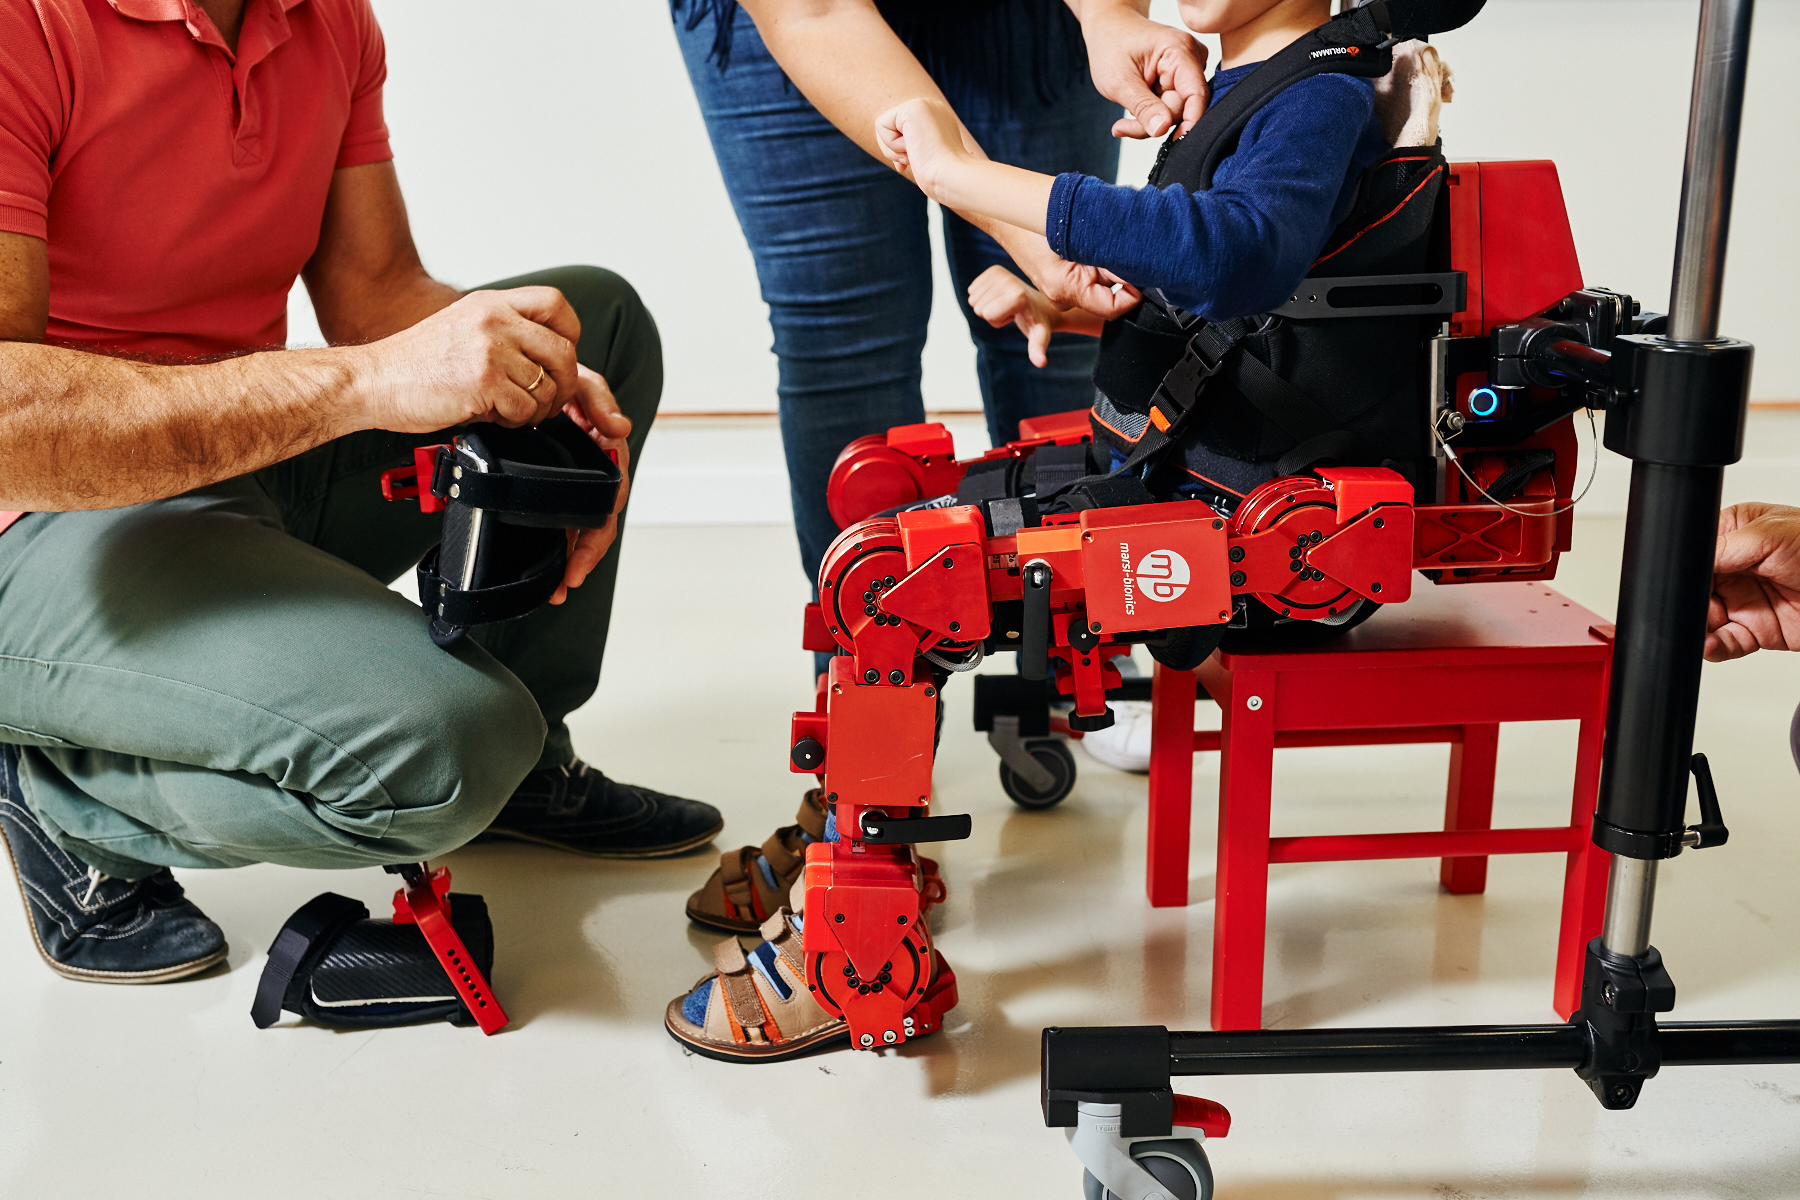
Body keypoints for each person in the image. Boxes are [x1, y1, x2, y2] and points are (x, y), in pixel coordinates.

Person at [666, 0, 1429, 1059]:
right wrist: (1062, 305)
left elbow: (1244, 255)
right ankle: (866, 825)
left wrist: (967, 178)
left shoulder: (1318, 90)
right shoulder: (1273, 81)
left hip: (1228, 518)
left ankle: (858, 957)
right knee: (884, 510)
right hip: (1179, 470)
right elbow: (1231, 294)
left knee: (890, 590)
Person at [0, 0, 719, 986]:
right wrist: (365, 385)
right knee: (449, 750)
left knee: (590, 322)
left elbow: (375, 291)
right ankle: (69, 799)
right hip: (42, 520)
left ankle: (529, 775)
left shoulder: (322, 15)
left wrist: (528, 373)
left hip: (238, 457)